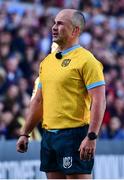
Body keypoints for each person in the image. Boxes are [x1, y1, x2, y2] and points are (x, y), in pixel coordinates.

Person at [16, 9, 106, 179]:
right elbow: (38, 101)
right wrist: (25, 132)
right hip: (49, 136)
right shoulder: (47, 62)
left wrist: (92, 136)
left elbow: (99, 100)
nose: (54, 27)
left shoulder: (87, 60)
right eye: (54, 23)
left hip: (74, 135)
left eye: (60, 23)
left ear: (75, 30)